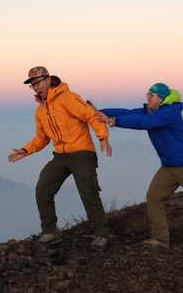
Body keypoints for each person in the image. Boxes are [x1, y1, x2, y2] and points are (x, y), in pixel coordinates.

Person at [97, 83, 183, 256]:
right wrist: (98, 111)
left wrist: (114, 121)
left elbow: (147, 123)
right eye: (147, 95)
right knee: (154, 197)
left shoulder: (169, 112)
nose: (148, 98)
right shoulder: (152, 110)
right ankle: (160, 239)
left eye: (152, 96)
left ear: (162, 98)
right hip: (169, 167)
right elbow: (129, 112)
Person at [8, 66, 112, 248]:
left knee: (89, 193)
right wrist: (25, 150)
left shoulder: (67, 98)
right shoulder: (41, 111)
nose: (36, 87)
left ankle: (102, 233)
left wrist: (103, 137)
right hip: (61, 156)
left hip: (82, 153)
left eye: (38, 82)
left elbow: (91, 116)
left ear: (48, 80)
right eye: (32, 85)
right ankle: (50, 231)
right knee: (43, 189)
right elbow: (42, 138)